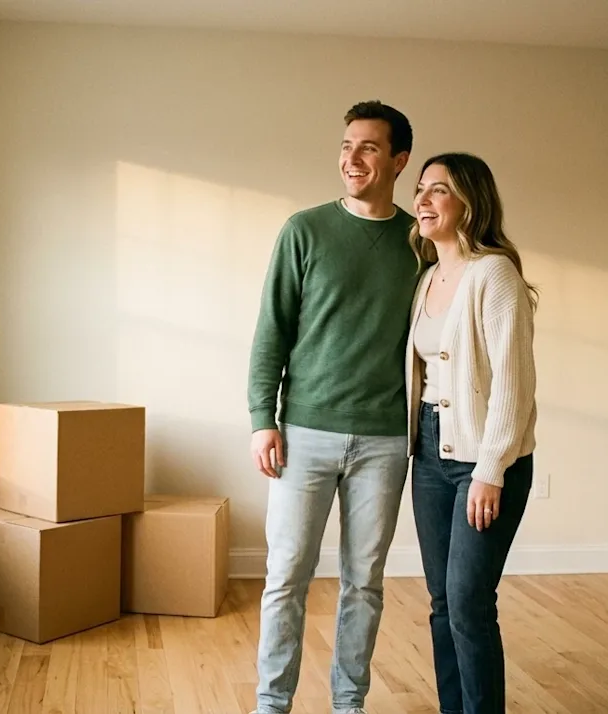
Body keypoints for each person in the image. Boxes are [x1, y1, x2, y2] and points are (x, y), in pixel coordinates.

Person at [246, 100, 421, 714]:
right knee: (285, 578)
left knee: (364, 584)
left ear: (399, 161)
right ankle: (273, 705)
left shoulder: (418, 244)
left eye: (369, 147)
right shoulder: (305, 229)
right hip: (304, 434)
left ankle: (350, 704)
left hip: (384, 442)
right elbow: (272, 332)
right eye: (347, 145)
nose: (352, 158)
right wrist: (261, 419)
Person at [405, 152, 538, 714]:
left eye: (440, 189)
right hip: (430, 453)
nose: (424, 200)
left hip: (483, 458)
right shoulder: (428, 276)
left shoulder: (494, 272)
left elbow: (512, 385)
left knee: (468, 601)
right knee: (441, 602)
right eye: (421, 189)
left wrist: (490, 470)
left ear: (469, 202)